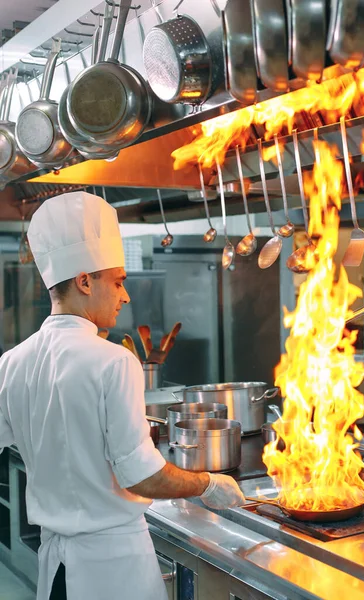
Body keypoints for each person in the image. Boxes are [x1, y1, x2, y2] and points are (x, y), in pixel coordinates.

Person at [0, 191, 245, 600]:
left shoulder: (11, 363)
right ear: (84, 281)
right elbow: (142, 476)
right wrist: (206, 484)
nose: (125, 295)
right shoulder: (114, 361)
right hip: (113, 572)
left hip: (57, 574)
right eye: (117, 282)